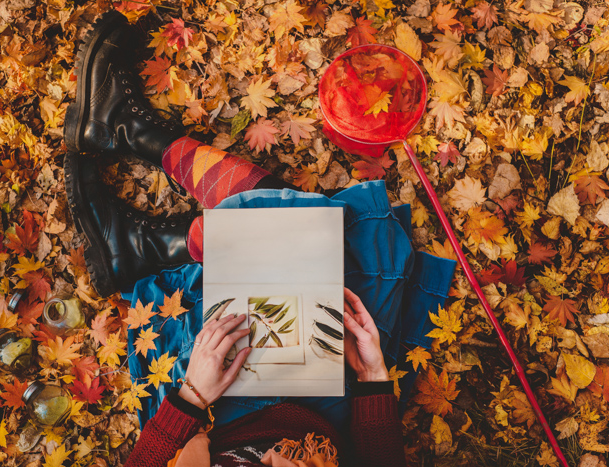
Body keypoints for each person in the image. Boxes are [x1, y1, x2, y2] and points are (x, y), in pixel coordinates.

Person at [63, 11, 457, 467]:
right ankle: (139, 230)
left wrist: (191, 397)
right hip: (330, 415)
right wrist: (371, 374)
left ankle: (132, 153)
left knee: (275, 229)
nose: (276, 461)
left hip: (226, 409)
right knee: (311, 238)